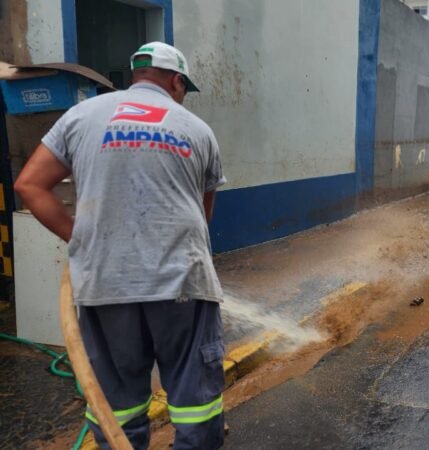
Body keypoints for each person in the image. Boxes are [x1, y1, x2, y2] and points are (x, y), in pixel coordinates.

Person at [14, 42, 226, 450]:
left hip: (105, 283)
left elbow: (29, 185)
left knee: (118, 406)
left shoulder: (80, 116)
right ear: (176, 81)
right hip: (181, 284)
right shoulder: (197, 129)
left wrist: (81, 238)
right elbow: (202, 218)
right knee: (194, 404)